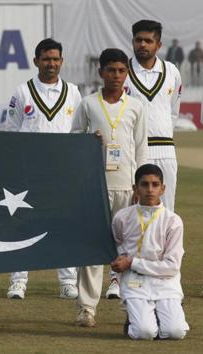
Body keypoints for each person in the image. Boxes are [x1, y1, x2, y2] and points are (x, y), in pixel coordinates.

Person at [71, 48, 148, 327]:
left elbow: (141, 148)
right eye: (111, 70)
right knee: (93, 249)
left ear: (127, 73)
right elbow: (74, 140)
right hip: (96, 188)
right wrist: (89, 139)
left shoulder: (136, 106)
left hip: (127, 187)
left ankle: (132, 305)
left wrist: (139, 186)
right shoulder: (88, 104)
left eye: (121, 70)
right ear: (101, 72)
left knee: (128, 250)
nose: (116, 76)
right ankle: (87, 308)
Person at [5, 38, 82, 300]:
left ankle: (68, 281)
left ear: (62, 61)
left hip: (62, 170)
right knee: (23, 224)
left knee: (65, 225)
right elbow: (12, 133)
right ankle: (18, 281)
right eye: (46, 59)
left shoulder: (73, 92)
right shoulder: (22, 91)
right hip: (30, 169)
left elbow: (78, 131)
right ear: (36, 61)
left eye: (56, 59)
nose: (51, 64)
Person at [117, 20, 182, 300]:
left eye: (147, 40)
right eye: (137, 40)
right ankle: (118, 277)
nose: (142, 45)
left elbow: (173, 113)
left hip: (165, 150)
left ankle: (169, 281)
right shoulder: (122, 72)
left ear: (158, 44)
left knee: (165, 216)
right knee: (129, 214)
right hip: (133, 150)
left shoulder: (172, 72)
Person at [110, 164, 189, 340]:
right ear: (135, 188)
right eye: (144, 184)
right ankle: (134, 319)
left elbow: (172, 267)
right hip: (135, 282)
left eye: (155, 184)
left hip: (165, 282)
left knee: (175, 332)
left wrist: (132, 262)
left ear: (163, 189)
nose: (150, 190)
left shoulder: (173, 221)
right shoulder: (122, 217)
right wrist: (119, 262)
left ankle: (165, 315)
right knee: (143, 333)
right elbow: (116, 248)